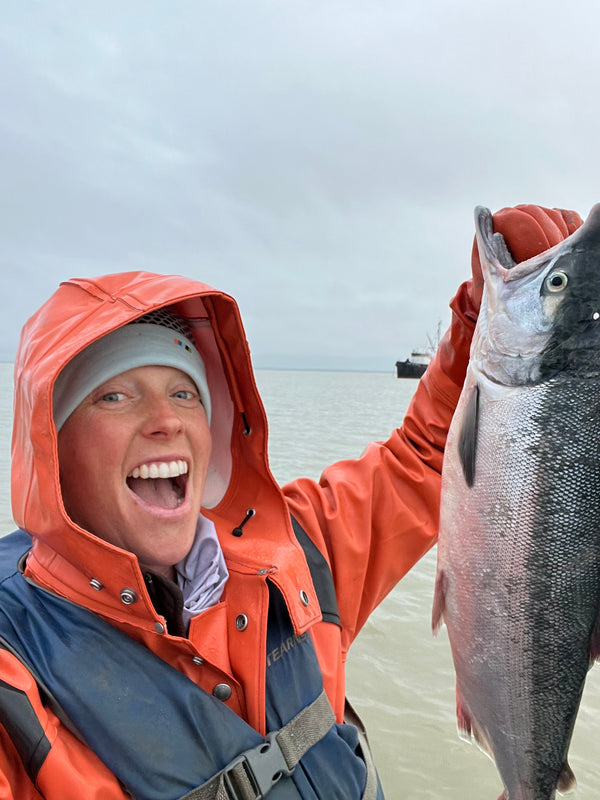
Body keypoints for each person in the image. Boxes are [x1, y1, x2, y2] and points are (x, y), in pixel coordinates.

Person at [0, 205, 582, 800]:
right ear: (52, 445)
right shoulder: (11, 668)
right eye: (116, 397)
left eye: (184, 392)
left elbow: (430, 461)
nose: (166, 421)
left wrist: (487, 317)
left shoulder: (298, 549)